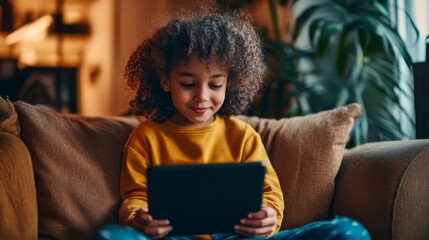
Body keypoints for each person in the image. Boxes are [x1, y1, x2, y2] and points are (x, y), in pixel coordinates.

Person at [96, 9, 371, 240]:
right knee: (111, 236)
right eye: (188, 84)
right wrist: (139, 219)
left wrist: (268, 217)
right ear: (166, 81)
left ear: (230, 82)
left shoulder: (242, 135)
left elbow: (270, 194)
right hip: (176, 237)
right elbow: (135, 197)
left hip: (239, 236)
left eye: (215, 84)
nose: (202, 96)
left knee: (349, 232)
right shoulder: (146, 137)